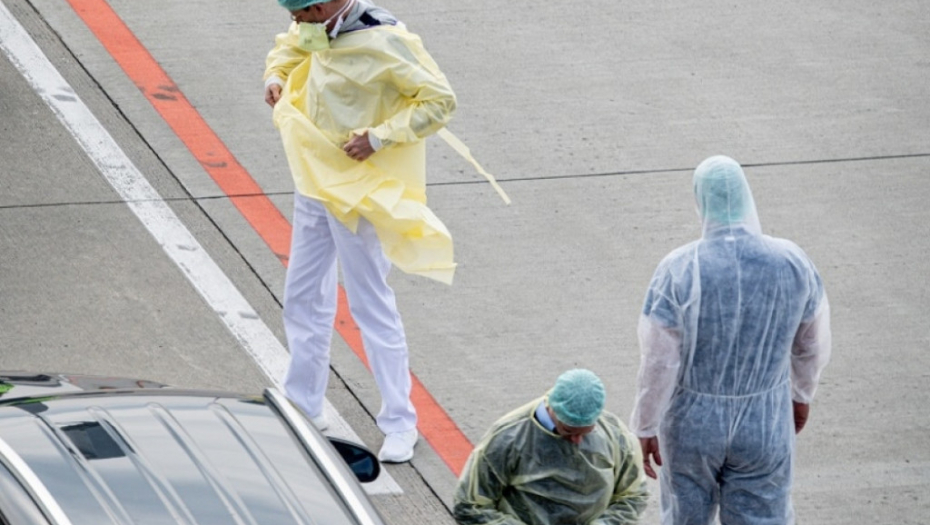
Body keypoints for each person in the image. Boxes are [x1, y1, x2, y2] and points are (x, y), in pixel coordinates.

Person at [263, 0, 457, 463]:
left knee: (370, 303)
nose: (295, 23)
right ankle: (304, 402)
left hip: (358, 192)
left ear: (321, 6)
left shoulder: (386, 40)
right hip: (314, 180)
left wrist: (379, 137)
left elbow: (439, 101)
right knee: (302, 294)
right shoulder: (316, 26)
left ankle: (400, 422)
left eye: (300, 15)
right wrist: (274, 76)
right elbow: (288, 48)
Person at [629, 155, 832, 524]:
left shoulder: (679, 269)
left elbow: (659, 360)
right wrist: (801, 395)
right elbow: (812, 343)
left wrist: (645, 424)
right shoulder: (791, 262)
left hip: (691, 426)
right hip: (765, 421)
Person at [454, 369, 648, 525]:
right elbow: (470, 505)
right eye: (569, 431)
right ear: (552, 408)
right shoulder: (508, 438)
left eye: (586, 432)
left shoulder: (614, 434)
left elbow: (633, 496)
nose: (577, 441)